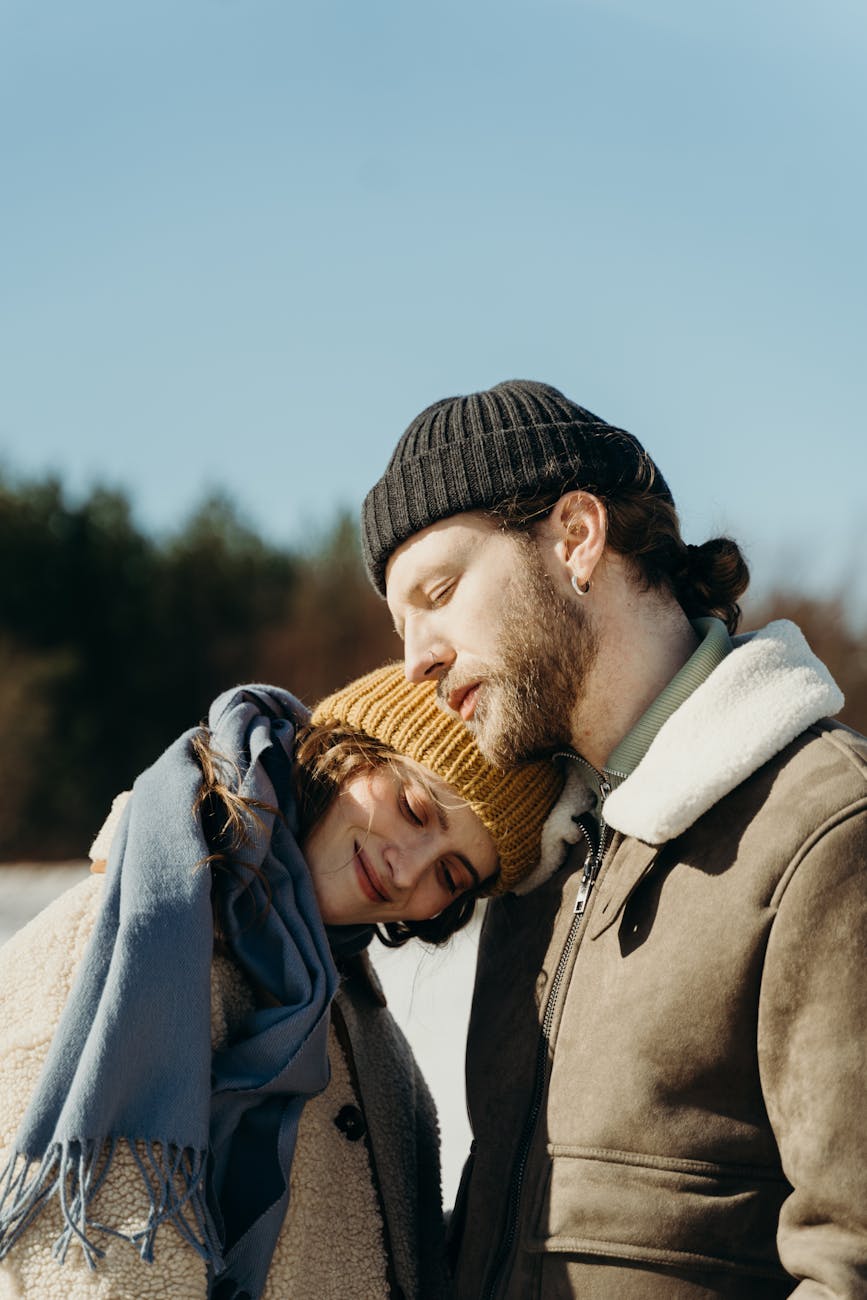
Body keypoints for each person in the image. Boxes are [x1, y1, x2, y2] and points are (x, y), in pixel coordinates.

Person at [360, 378, 867, 1298]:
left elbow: (853, 1263)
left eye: (438, 592)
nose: (415, 659)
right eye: (401, 625)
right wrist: (197, 814)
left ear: (575, 537)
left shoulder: (822, 827)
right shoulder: (543, 858)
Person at [0, 664, 567, 1300]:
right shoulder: (127, 941)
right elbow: (79, 1261)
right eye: (413, 809)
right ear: (349, 749)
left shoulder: (350, 1008)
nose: (408, 873)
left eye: (452, 876)